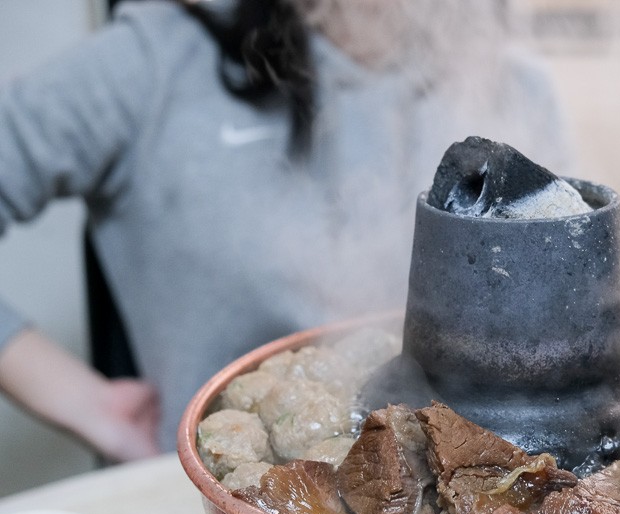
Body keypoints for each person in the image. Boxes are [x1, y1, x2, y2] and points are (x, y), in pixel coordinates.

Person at [0, 0, 575, 462]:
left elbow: (560, 308)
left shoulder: (512, 84)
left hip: (465, 508)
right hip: (217, 509)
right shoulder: (154, 61)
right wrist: (87, 404)